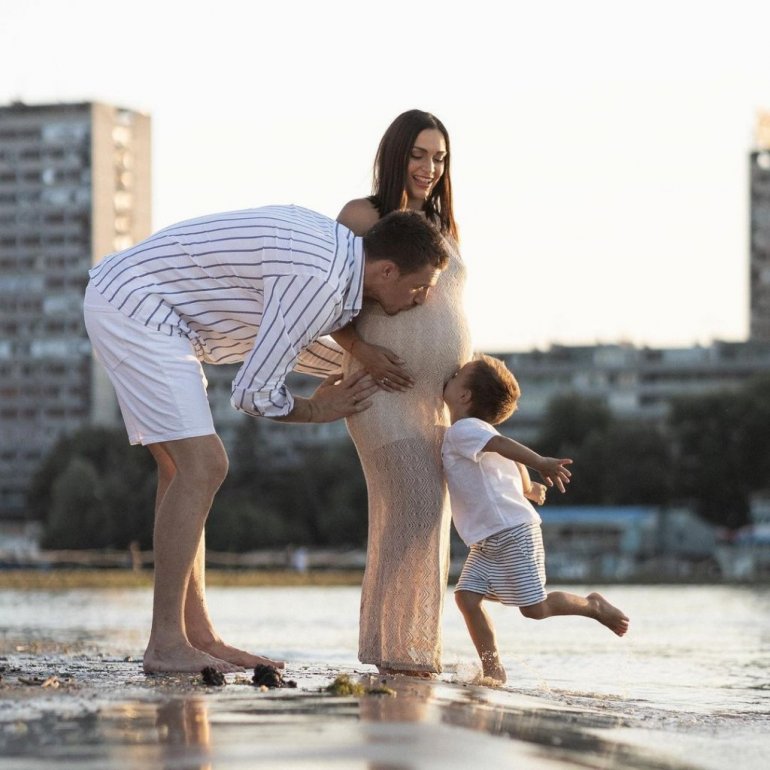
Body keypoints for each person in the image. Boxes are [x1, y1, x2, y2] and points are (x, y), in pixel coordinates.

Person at [83, 203, 451, 674]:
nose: (422, 299)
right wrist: (318, 409)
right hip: (136, 306)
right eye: (419, 287)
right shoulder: (320, 281)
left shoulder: (332, 262)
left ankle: (198, 636)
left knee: (180, 469)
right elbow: (253, 393)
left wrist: (361, 362)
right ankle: (166, 643)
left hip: (146, 306)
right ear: (386, 271)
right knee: (204, 465)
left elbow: (291, 336)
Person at [293, 109, 572, 676]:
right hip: (383, 390)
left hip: (441, 402)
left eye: (440, 158)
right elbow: (323, 296)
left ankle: (398, 652)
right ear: (396, 154)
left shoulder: (445, 225)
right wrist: (363, 350)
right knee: (414, 513)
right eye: (419, 155)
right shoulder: (363, 215)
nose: (429, 168)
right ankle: (403, 654)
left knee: (427, 519)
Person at [442, 354, 630, 684]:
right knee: (466, 598)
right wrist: (528, 488)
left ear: (464, 395)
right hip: (487, 539)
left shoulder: (463, 430)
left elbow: (503, 445)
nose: (450, 374)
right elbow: (507, 456)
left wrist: (541, 462)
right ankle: (493, 669)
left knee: (535, 608)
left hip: (511, 532)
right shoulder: (477, 432)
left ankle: (593, 606)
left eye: (457, 375)